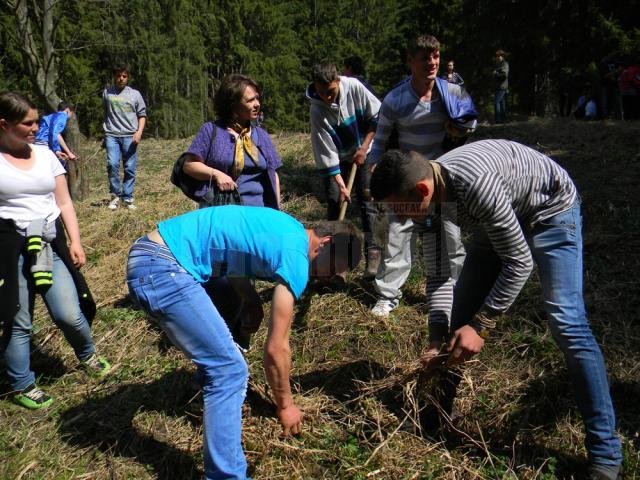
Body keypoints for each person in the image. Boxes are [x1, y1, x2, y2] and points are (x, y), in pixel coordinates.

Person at [370, 143, 623, 480]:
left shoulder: (475, 185)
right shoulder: (427, 200)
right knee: (454, 320)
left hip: (550, 209)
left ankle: (606, 455)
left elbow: (519, 263)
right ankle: (436, 416)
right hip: (501, 217)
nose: (402, 219)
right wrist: (435, 337)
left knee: (566, 322)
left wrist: (482, 325)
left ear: (421, 189)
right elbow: (440, 274)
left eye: (402, 210)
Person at [126, 205, 362, 480]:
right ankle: (227, 476)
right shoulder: (297, 258)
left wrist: (248, 298)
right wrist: (285, 405)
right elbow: (276, 348)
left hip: (150, 255)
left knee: (226, 336)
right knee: (229, 370)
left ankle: (212, 397)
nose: (327, 278)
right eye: (333, 270)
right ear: (326, 243)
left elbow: (231, 247)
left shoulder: (288, 228)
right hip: (162, 268)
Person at [0, 92, 110, 410]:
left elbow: (64, 203)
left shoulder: (46, 154)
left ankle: (87, 354)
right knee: (18, 321)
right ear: (4, 124)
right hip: (10, 251)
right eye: (28, 122)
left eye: (37, 120)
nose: (37, 127)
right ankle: (22, 384)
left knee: (68, 313)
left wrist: (75, 241)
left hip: (48, 245)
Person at [366, 34, 477, 317]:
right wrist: (375, 166)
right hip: (405, 177)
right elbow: (380, 139)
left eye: (436, 56)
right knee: (397, 237)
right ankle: (389, 295)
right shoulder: (395, 99)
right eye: (425, 57)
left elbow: (470, 122)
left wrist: (460, 130)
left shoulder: (451, 93)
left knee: (450, 235)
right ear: (410, 61)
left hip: (442, 176)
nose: (432, 62)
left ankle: (456, 291)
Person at [307, 62, 382, 279]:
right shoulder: (317, 109)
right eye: (321, 93)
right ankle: (332, 262)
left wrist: (364, 147)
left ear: (338, 81)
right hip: (338, 159)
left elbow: (377, 117)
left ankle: (373, 260)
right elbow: (325, 150)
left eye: (330, 92)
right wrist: (339, 182)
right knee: (334, 200)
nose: (326, 98)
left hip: (364, 153)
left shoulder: (355, 87)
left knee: (367, 204)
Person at [181, 74, 281, 209]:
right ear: (233, 105)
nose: (257, 104)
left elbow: (273, 174)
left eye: (257, 98)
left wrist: (277, 210)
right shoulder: (211, 131)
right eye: (250, 100)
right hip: (221, 212)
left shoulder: (261, 135)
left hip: (258, 213)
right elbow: (189, 165)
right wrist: (216, 174)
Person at [103, 63, 146, 211]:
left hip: (130, 136)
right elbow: (106, 113)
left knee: (129, 167)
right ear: (114, 77)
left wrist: (139, 132)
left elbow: (142, 115)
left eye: (124, 76)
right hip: (112, 135)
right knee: (112, 164)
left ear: (127, 77)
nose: (121, 78)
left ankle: (127, 197)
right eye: (118, 76)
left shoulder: (135, 94)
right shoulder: (107, 93)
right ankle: (115, 196)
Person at [34, 101, 77, 167]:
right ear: (67, 110)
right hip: (43, 144)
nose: (71, 116)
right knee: (56, 168)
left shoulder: (51, 116)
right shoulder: (62, 116)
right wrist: (65, 152)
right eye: (72, 113)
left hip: (36, 142)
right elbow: (55, 133)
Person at [493, 49, 509, 123]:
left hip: (502, 86)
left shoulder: (504, 64)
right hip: (498, 86)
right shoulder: (498, 64)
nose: (497, 57)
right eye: (497, 56)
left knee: (496, 103)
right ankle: (503, 119)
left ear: (502, 56)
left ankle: (498, 120)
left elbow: (504, 75)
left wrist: (495, 74)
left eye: (499, 56)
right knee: (502, 103)